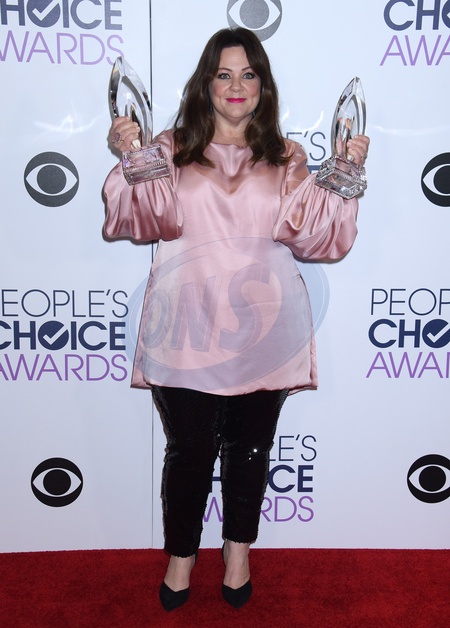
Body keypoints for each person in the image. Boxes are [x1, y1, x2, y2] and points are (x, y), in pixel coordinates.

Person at [103, 27, 369, 612]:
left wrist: (345, 175)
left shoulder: (286, 157)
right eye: (224, 74)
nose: (236, 85)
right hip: (184, 327)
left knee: (250, 449)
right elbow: (147, 222)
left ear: (263, 86)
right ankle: (181, 556)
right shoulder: (170, 149)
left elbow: (314, 236)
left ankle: (238, 551)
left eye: (248, 74)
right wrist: (132, 158)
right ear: (206, 83)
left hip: (263, 330)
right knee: (189, 451)